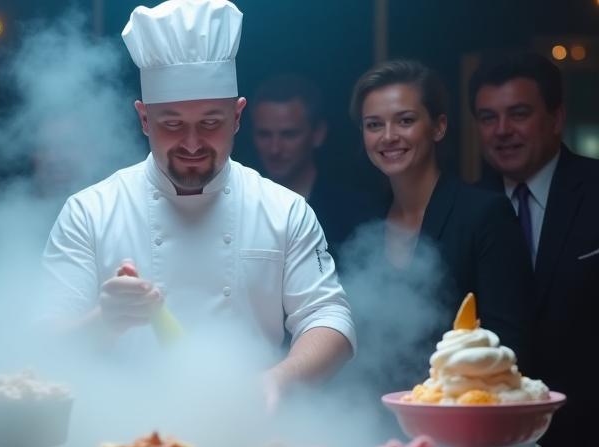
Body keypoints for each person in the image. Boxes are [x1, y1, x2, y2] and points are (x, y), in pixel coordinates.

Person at [42, 0, 355, 411]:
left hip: (245, 426)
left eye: (211, 123)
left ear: (238, 115)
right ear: (143, 119)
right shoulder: (90, 211)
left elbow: (330, 319)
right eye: (172, 124)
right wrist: (105, 318)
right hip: (118, 440)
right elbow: (44, 346)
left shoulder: (284, 210)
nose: (191, 144)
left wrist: (279, 379)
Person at [345, 60, 534, 388]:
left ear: (438, 126)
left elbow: (508, 346)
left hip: (460, 415)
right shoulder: (361, 223)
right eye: (374, 125)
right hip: (371, 417)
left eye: (405, 121)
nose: (389, 136)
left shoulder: (485, 213)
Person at [469, 52, 599, 447]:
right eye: (488, 118)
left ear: (556, 118)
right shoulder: (466, 207)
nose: (502, 131)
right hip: (495, 445)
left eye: (519, 113)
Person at [251, 74, 379, 248]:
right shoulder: (241, 206)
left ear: (318, 134)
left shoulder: (354, 213)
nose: (275, 149)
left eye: (289, 134)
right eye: (264, 134)